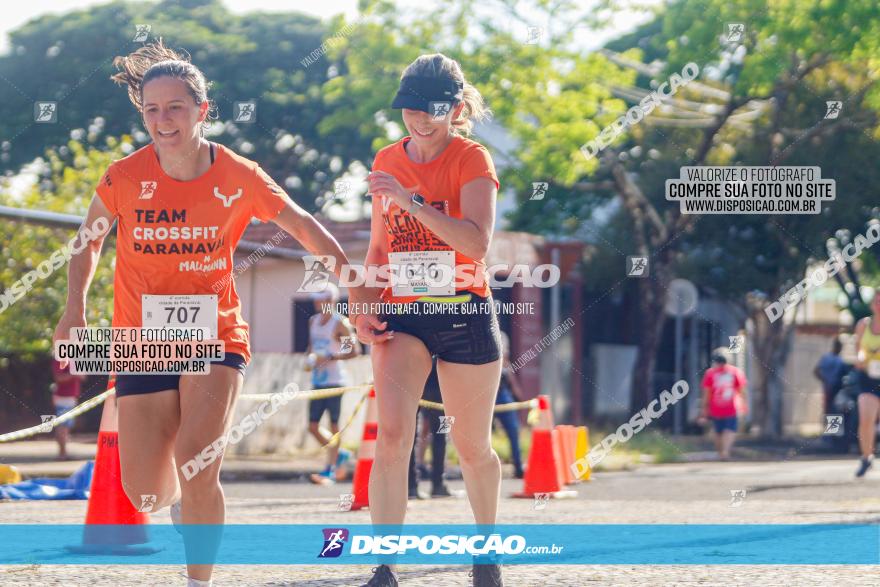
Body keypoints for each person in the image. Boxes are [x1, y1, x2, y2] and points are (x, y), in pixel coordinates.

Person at [52, 41, 366, 587]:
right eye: (151, 109)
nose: (162, 120)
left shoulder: (239, 175)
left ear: (202, 109)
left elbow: (303, 225)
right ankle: (178, 499)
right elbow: (89, 240)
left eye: (175, 107)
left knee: (199, 459)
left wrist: (352, 284)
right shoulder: (124, 175)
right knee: (144, 490)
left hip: (215, 334)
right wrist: (74, 308)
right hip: (141, 339)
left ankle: (200, 578)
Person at [354, 53, 504, 586]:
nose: (418, 120)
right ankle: (384, 565)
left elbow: (476, 244)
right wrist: (363, 303)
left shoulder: (472, 159)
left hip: (463, 311)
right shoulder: (385, 158)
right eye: (409, 110)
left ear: (457, 109)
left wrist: (412, 202)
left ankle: (485, 553)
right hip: (404, 313)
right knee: (393, 436)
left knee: (472, 446)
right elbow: (377, 247)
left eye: (431, 111)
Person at [305, 284, 359, 484]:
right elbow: (311, 347)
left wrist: (330, 357)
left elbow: (353, 351)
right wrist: (310, 360)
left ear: (330, 301)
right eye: (316, 299)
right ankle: (340, 453)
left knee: (334, 425)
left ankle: (329, 469)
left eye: (321, 299)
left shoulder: (339, 323)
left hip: (335, 381)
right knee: (312, 426)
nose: (316, 303)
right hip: (317, 380)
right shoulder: (313, 321)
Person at [407, 358, 455, 499]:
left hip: (414, 377)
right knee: (441, 435)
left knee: (410, 434)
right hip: (440, 383)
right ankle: (438, 484)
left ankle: (411, 486)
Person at [699, 348, 748, 461]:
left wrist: (704, 408)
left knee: (718, 431)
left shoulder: (710, 373)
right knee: (729, 430)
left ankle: (721, 452)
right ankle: (725, 452)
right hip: (731, 406)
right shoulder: (736, 372)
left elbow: (706, 393)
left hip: (715, 406)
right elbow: (741, 390)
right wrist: (744, 404)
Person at [852, 292, 880, 477]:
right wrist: (860, 359)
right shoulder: (863, 325)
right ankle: (866, 457)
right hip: (868, 377)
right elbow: (858, 350)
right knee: (865, 419)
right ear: (872, 304)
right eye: (877, 301)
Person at [495, 332, 524, 479]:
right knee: (482, 435)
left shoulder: (507, 364)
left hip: (503, 395)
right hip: (486, 395)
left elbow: (513, 382)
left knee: (513, 430)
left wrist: (519, 398)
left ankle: (518, 466)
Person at [51, 359, 86, 460]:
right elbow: (58, 377)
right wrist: (73, 374)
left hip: (71, 398)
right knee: (62, 426)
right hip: (63, 398)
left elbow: (83, 376)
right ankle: (62, 454)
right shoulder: (60, 359)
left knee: (66, 426)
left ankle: (64, 453)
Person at [814, 337, 846, 417]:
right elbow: (816, 371)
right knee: (829, 409)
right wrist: (825, 380)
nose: (840, 349)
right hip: (828, 388)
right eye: (839, 347)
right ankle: (831, 428)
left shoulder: (840, 359)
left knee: (835, 409)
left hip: (837, 389)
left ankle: (834, 428)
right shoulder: (827, 358)